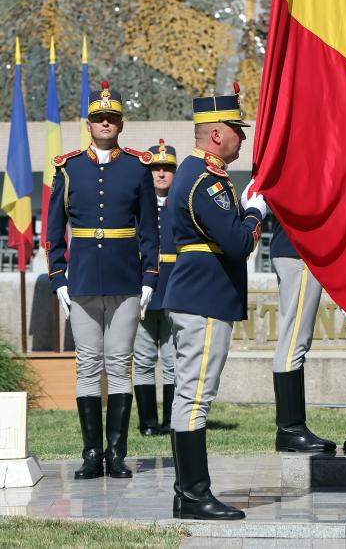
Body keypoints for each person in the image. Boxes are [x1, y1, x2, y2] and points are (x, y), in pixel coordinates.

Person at [46, 81, 159, 480]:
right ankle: (91, 454)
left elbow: (149, 230)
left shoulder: (137, 167)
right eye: (99, 118)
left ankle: (116, 454)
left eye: (111, 118)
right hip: (80, 281)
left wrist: (149, 279)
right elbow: (53, 230)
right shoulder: (69, 168)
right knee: (88, 364)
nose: (105, 123)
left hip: (126, 279)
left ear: (121, 124)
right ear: (88, 124)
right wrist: (58, 279)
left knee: (120, 363)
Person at [163, 86, 267, 521]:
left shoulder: (200, 173)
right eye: (238, 130)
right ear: (218, 134)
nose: (243, 137)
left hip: (199, 294)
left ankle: (186, 494)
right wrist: (255, 212)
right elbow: (238, 243)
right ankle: (194, 494)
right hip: (204, 296)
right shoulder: (206, 180)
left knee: (190, 394)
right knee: (195, 396)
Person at [269, 216, 336, 452]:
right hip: (299, 248)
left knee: (293, 339)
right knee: (294, 342)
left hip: (292, 246)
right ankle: (291, 429)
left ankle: (291, 429)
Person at [133, 139, 178, 436]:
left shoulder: (182, 206)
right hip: (143, 291)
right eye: (155, 168)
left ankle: (172, 421)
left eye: (167, 168)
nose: (161, 173)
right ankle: (148, 423)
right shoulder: (136, 207)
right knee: (143, 359)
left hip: (174, 290)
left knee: (173, 361)